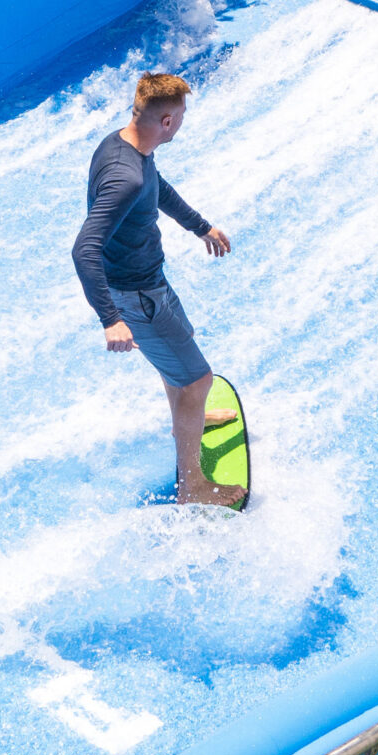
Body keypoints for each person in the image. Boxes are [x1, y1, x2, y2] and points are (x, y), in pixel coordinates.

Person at [71, 72, 244, 508]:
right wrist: (111, 318)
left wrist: (199, 226)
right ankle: (195, 488)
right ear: (167, 121)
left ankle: (191, 420)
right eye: (181, 117)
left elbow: (157, 186)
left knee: (182, 366)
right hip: (137, 297)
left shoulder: (124, 143)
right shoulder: (124, 175)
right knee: (196, 380)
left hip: (151, 282)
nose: (182, 124)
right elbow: (83, 249)